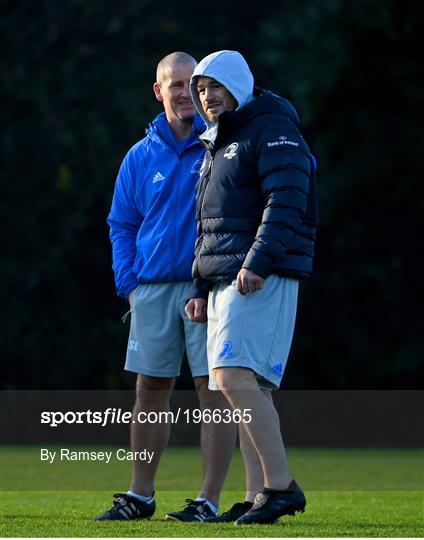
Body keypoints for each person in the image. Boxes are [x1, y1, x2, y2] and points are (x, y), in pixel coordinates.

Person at [96, 52, 236, 523]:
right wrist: (130, 286)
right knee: (150, 390)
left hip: (210, 286)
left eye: (190, 83)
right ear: (158, 92)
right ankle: (140, 496)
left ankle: (208, 500)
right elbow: (121, 224)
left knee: (213, 390)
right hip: (152, 290)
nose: (183, 92)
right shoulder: (140, 155)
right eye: (173, 84)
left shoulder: (223, 143)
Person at [185, 50, 318, 525]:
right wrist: (199, 286)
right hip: (226, 278)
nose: (206, 97)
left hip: (259, 274)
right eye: (200, 89)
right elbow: (209, 224)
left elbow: (287, 200)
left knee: (233, 379)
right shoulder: (218, 141)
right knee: (245, 385)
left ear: (238, 86)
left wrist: (258, 261)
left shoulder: (273, 128)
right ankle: (255, 495)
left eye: (215, 86)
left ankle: (281, 488)